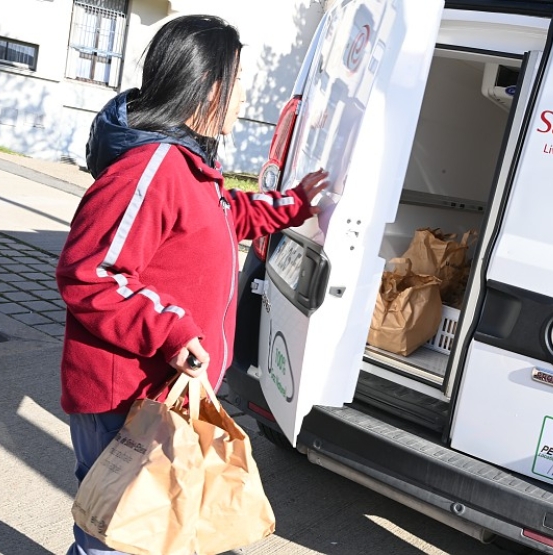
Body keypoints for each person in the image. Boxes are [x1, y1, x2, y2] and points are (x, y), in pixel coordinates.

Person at [56, 14, 328, 555]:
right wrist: (173, 331)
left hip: (162, 392)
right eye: (238, 78)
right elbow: (91, 272)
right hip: (125, 396)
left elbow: (226, 216)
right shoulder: (152, 165)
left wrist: (293, 204)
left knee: (149, 532)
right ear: (208, 86)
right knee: (118, 537)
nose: (245, 92)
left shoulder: (191, 165)